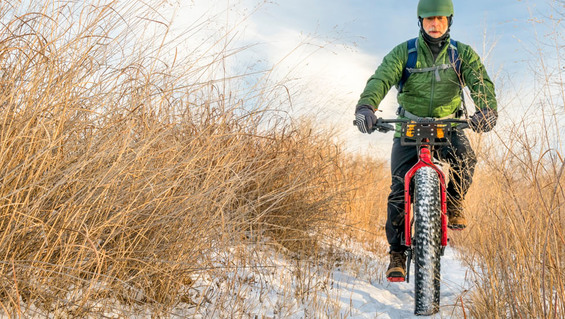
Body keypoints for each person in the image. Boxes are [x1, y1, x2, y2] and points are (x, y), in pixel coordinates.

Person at [354, 0, 498, 282]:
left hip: (448, 126)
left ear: (449, 21)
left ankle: (454, 202)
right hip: (408, 126)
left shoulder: (461, 54)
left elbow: (480, 82)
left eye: (440, 19)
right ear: (420, 22)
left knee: (466, 160)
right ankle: (397, 253)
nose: (435, 24)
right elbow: (381, 78)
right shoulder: (404, 53)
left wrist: (487, 110)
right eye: (429, 19)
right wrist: (366, 108)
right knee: (398, 190)